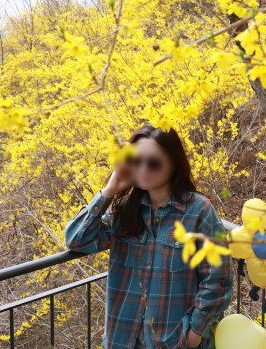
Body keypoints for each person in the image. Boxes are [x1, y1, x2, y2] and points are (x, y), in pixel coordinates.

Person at [64, 123, 234, 349]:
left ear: (173, 164)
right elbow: (76, 239)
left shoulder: (197, 211)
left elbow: (218, 279)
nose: (143, 169)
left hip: (174, 342)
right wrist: (109, 191)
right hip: (122, 339)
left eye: (153, 163)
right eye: (136, 161)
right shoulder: (125, 211)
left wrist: (194, 333)